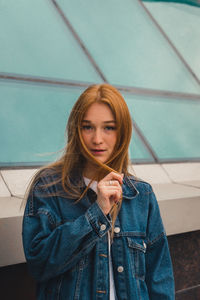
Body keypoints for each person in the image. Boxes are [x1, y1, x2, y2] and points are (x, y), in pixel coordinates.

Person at [22, 83, 175, 300]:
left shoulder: (141, 196)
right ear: (76, 129)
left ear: (122, 131)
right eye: (88, 127)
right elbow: (40, 263)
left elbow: (160, 280)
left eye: (108, 127)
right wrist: (97, 214)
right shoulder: (49, 188)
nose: (97, 139)